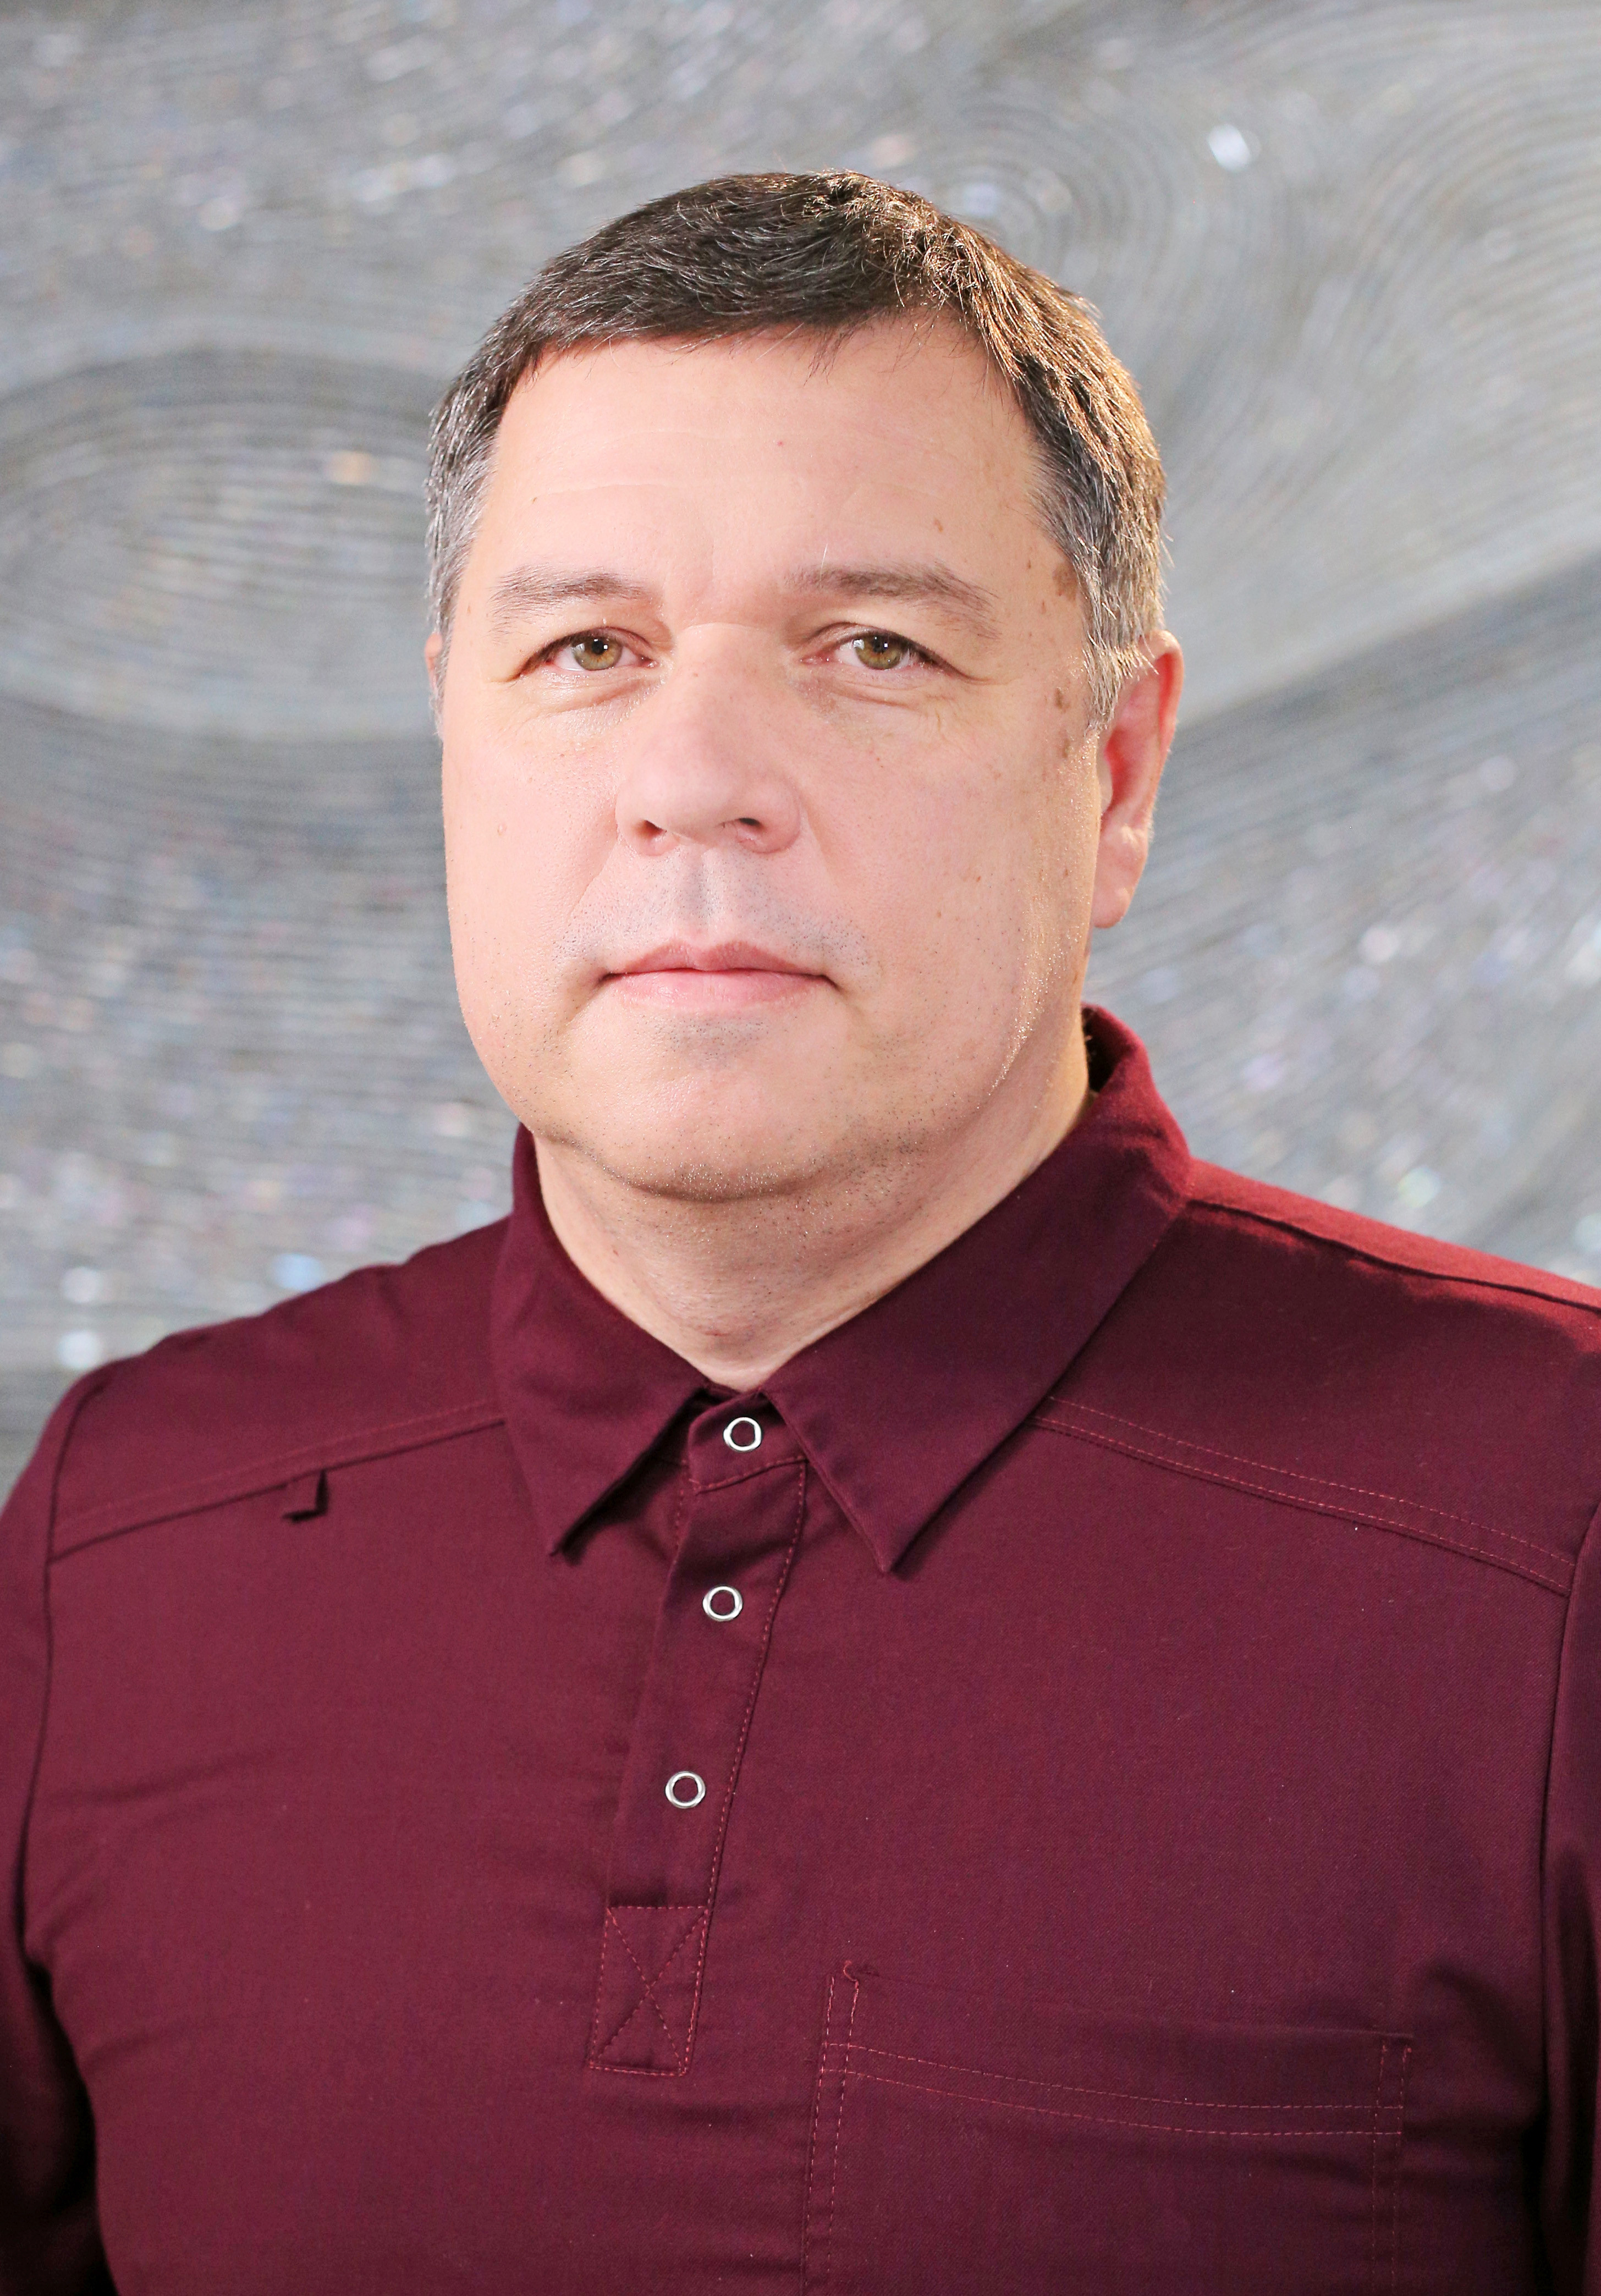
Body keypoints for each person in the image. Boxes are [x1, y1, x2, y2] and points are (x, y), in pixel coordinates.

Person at [2, 170, 1598, 2295]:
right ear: (454, 736)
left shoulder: (1555, 1517)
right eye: (588, 650)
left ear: (1116, 771)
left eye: (873, 649)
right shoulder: (120, 1536)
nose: (695, 783)